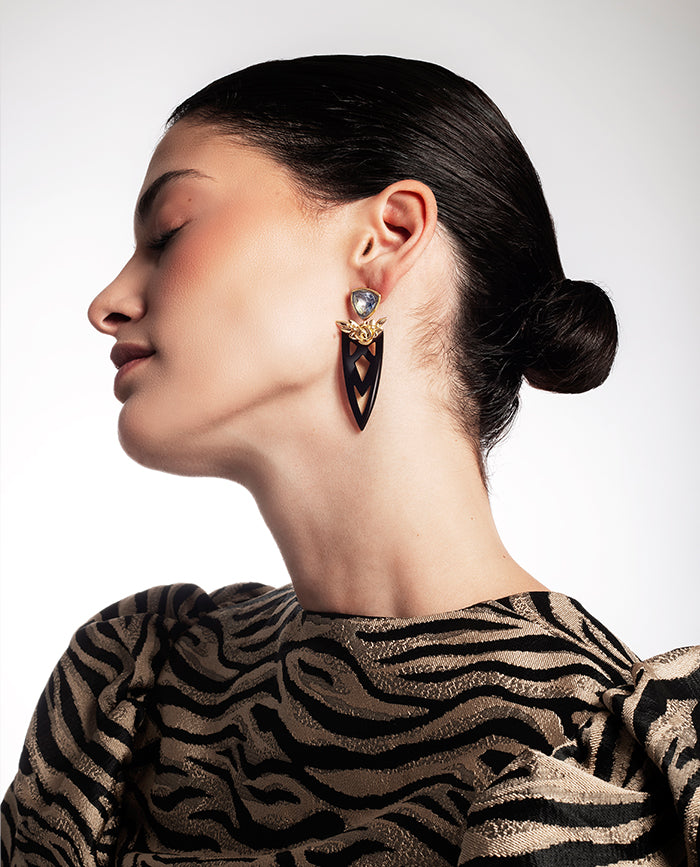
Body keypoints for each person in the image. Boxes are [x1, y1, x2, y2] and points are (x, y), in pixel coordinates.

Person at [1, 55, 697, 866]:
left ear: (384, 239)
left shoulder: (604, 760)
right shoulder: (133, 681)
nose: (108, 302)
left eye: (169, 232)